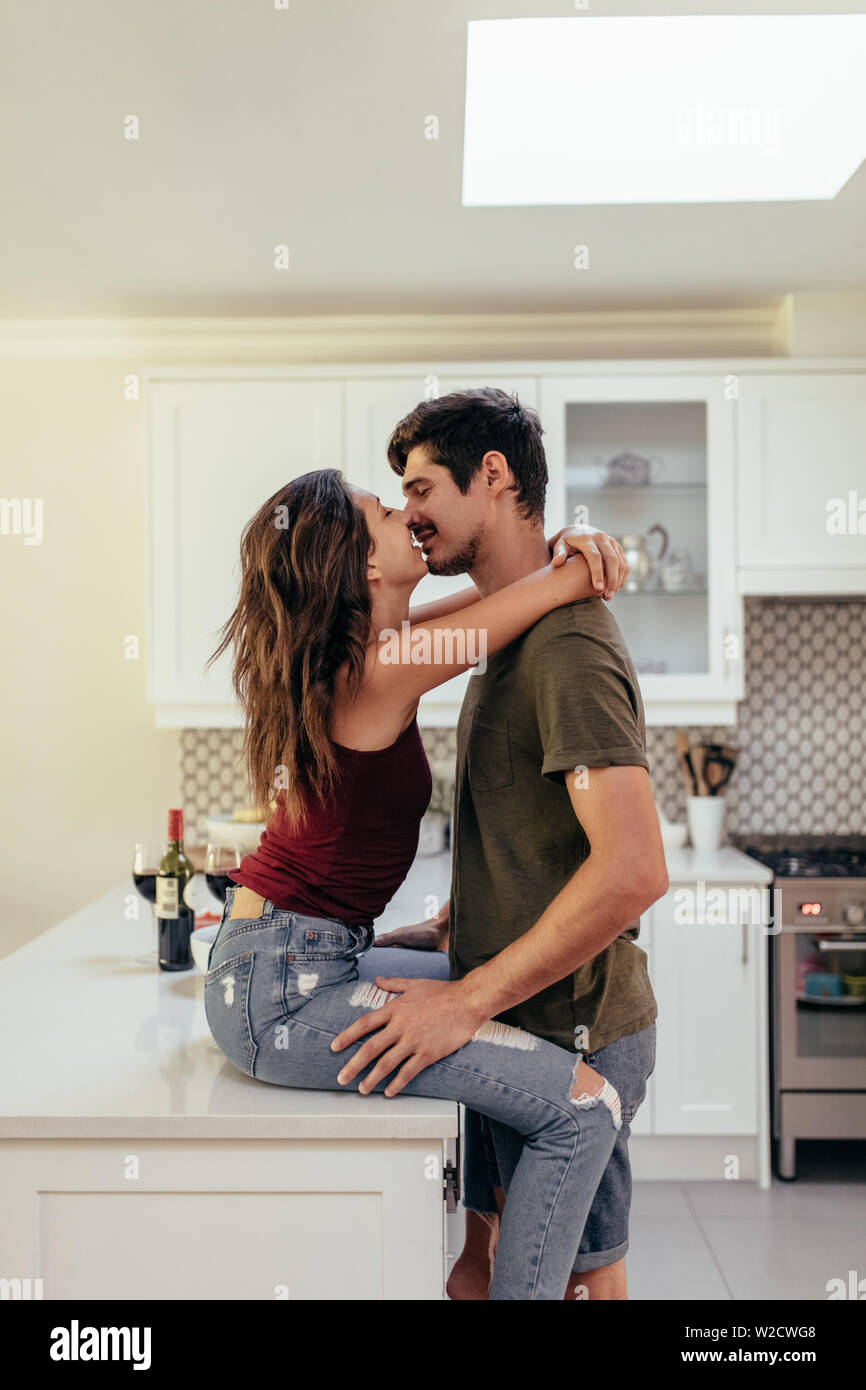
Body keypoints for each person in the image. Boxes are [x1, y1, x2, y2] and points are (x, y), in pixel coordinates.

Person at [203, 465, 653, 1300]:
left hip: (289, 956)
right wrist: (580, 559)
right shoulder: (382, 667)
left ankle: (479, 1264)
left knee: (496, 987)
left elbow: (493, 607)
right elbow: (513, 609)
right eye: (383, 509)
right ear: (362, 564)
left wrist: (565, 557)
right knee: (584, 1108)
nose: (404, 512)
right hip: (283, 987)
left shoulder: (377, 654)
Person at [359, 387, 666, 1300]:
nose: (409, 515)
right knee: (483, 1271)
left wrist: (462, 1002)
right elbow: (545, 834)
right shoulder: (505, 633)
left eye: (419, 488)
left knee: (584, 1287)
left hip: (571, 1030)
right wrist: (468, 920)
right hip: (518, 1020)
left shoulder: (567, 644)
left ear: (491, 476)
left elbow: (632, 869)